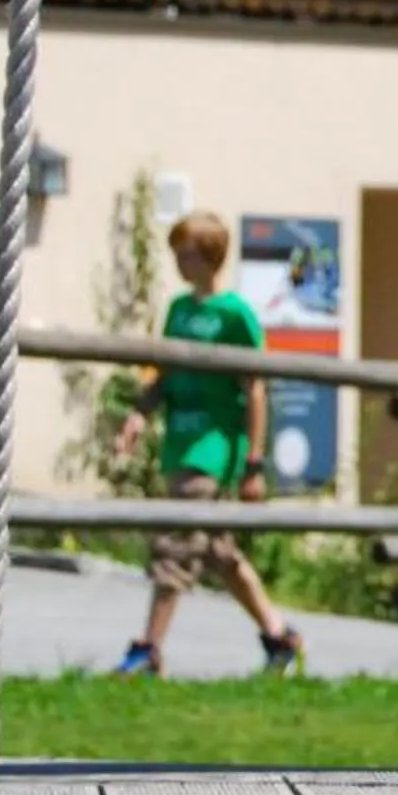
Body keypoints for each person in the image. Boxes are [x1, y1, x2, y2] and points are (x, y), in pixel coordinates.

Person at [114, 213, 304, 677]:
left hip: (214, 446)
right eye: (177, 251)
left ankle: (148, 649)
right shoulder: (179, 310)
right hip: (180, 439)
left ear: (211, 257)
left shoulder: (235, 314)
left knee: (177, 542)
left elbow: (255, 386)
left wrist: (254, 462)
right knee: (219, 551)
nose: (180, 261)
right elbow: (163, 369)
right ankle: (279, 636)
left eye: (188, 253)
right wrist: (140, 413)